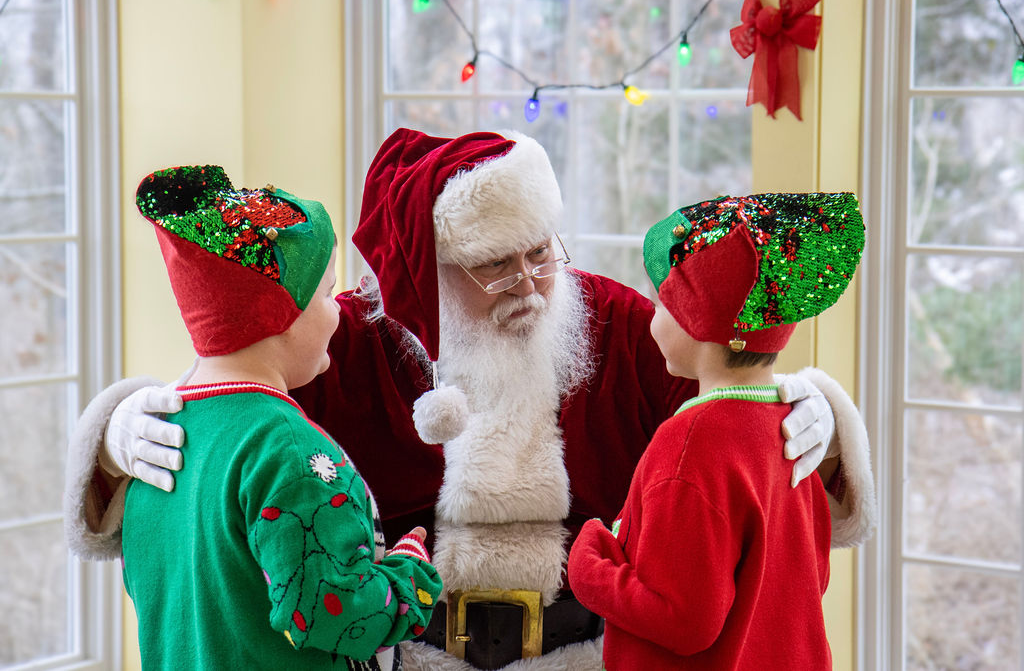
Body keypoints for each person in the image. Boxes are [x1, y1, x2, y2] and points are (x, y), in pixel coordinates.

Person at [64, 129, 876, 671]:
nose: (530, 282)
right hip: (411, 655)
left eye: (540, 252)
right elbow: (228, 397)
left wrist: (816, 413)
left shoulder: (616, 327)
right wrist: (117, 428)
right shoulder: (345, 346)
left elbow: (735, 409)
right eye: (494, 264)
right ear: (427, 275)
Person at [115, 165, 442, 671]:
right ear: (282, 317)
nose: (339, 313)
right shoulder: (288, 450)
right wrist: (410, 574)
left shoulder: (157, 447)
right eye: (328, 294)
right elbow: (336, 615)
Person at [568, 193, 871, 669]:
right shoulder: (791, 429)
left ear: (698, 323)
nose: (652, 317)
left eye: (663, 304)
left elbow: (683, 620)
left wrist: (589, 562)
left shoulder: (688, 445)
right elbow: (811, 573)